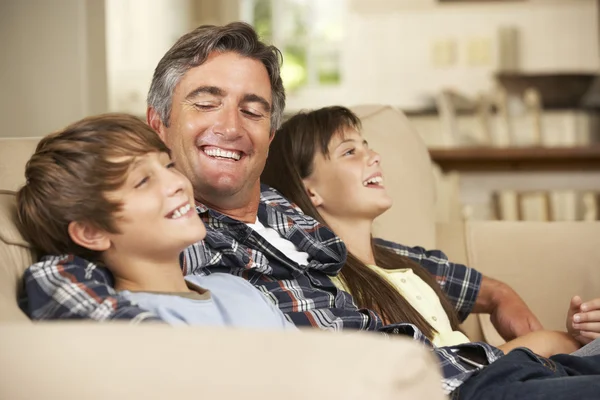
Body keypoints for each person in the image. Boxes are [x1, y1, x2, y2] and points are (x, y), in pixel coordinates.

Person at [18, 22, 559, 395]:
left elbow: (377, 260)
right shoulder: (177, 238)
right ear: (157, 124)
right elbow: (77, 273)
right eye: (205, 102)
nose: (230, 125)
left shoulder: (292, 215)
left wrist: (495, 291)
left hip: (474, 370)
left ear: (270, 135)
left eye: (251, 111)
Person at [261, 105, 600, 398]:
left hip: (529, 369)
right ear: (311, 190)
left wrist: (574, 337)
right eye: (350, 152)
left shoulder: (398, 262)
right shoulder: (324, 284)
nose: (374, 156)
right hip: (483, 384)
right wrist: (543, 342)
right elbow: (411, 377)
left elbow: (484, 289)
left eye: (367, 145)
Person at [18, 113, 294, 330]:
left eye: (168, 166)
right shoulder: (130, 323)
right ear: (92, 232)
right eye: (142, 181)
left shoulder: (237, 288)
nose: (175, 183)